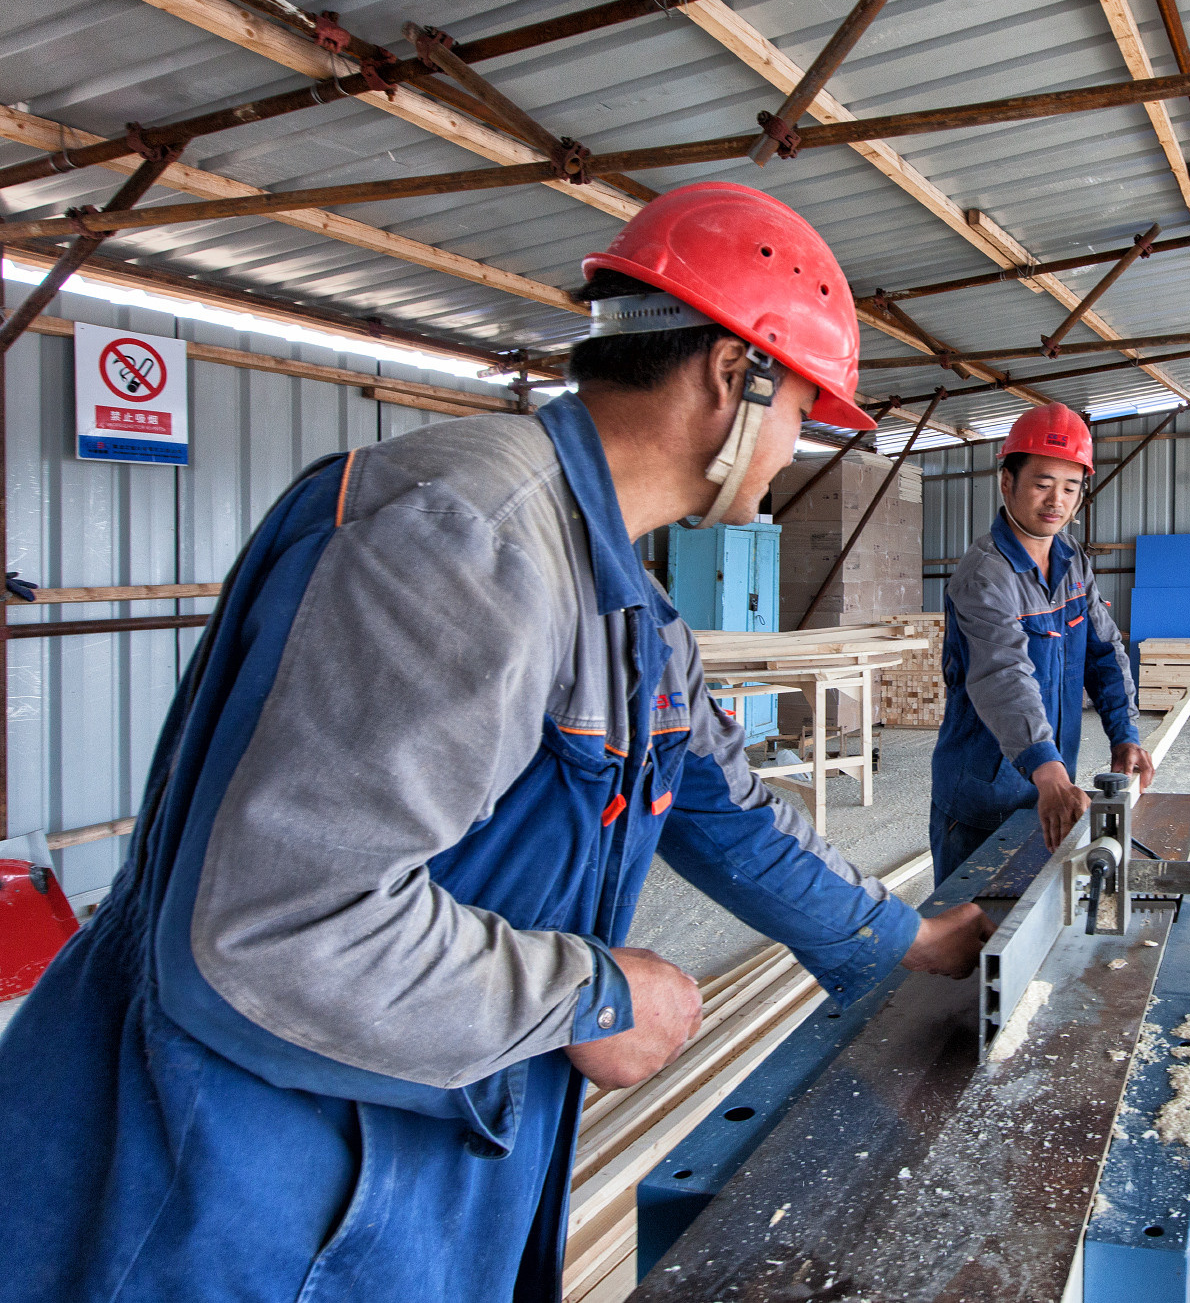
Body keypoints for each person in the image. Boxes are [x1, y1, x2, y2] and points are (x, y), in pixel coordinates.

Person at [0, 182, 993, 1302]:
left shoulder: (626, 607)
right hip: (245, 1183)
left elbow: (728, 813)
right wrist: (589, 995)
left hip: (411, 1138)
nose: (793, 451)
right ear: (733, 375)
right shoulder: (466, 542)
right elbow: (282, 928)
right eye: (801, 411)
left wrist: (908, 936)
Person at [929, 403, 1155, 882]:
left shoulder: (1072, 560)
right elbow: (1002, 675)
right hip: (985, 794)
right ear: (1006, 482)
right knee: (974, 920)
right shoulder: (985, 575)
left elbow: (1103, 650)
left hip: (1050, 781)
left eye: (1070, 487)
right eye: (1042, 484)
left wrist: (1124, 732)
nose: (1057, 501)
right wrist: (1047, 768)